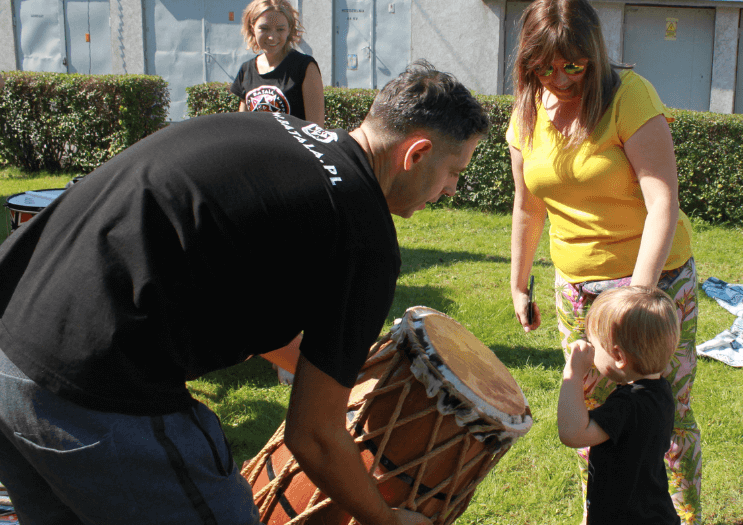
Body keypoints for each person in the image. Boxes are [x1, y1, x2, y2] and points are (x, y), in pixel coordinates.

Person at [0, 60, 488, 525]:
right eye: (455, 171)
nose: (451, 189)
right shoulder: (364, 235)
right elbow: (314, 436)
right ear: (416, 153)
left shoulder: (270, 130)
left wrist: (346, 374)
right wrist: (383, 517)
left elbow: (242, 304)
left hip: (9, 351)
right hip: (92, 388)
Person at [505, 0, 702, 521]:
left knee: (664, 418)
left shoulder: (629, 97)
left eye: (573, 64)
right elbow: (528, 206)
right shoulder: (526, 110)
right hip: (579, 289)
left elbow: (663, 201)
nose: (560, 77)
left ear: (595, 53)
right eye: (545, 66)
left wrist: (636, 298)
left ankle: (678, 518)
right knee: (592, 412)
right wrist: (519, 283)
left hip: (652, 283)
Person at [557, 286, 681, 525]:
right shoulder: (661, 392)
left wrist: (572, 373)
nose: (592, 352)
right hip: (654, 512)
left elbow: (572, 433)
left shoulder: (627, 405)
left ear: (619, 357)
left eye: (595, 345)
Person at [230, 0, 324, 126]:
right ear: (252, 28)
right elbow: (242, 125)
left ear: (289, 29)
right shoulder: (246, 70)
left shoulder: (305, 67)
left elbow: (316, 129)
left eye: (280, 29)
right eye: (264, 28)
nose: (272, 37)